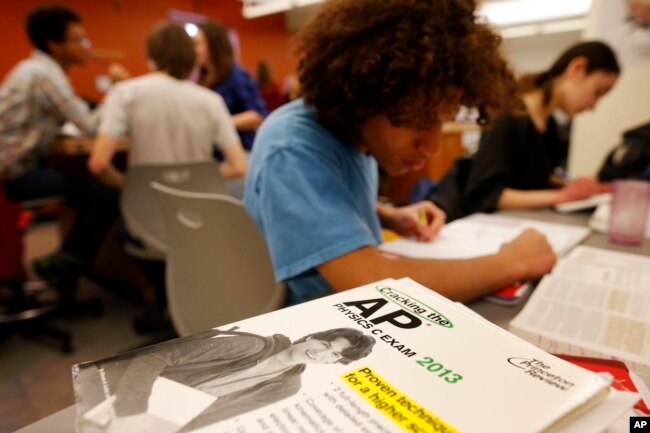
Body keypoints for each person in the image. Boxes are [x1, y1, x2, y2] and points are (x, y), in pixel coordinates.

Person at [243, 0, 557, 306]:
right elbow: (370, 281)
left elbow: (319, 202)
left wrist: (387, 216)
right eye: (421, 121)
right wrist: (512, 262)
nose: (433, 145)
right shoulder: (292, 145)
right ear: (368, 95)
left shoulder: (355, 136)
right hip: (309, 322)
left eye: (442, 120)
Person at [88, 22, 247, 331]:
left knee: (128, 232)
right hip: (198, 219)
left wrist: (130, 187)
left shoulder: (126, 93)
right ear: (193, 59)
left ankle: (161, 300)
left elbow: (97, 164)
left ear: (150, 57)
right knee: (185, 243)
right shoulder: (209, 100)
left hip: (146, 222)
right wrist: (197, 181)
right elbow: (239, 167)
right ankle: (182, 302)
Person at [0, 5, 129, 299]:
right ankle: (62, 266)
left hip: (12, 170)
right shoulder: (45, 75)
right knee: (105, 197)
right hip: (14, 175)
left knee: (87, 195)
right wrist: (118, 91)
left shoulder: (33, 70)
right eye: (78, 40)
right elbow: (90, 127)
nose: (85, 47)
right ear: (54, 44)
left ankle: (66, 267)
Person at [427, 41, 620, 222]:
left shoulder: (550, 124)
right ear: (577, 68)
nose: (593, 106)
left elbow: (533, 177)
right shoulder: (509, 115)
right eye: (597, 92)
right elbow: (484, 193)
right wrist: (561, 195)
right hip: (470, 224)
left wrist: (573, 186)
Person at [75, 327, 375, 431]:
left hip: (165, 423)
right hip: (125, 395)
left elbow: (213, 419)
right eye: (324, 344)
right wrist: (133, 413)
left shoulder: (288, 387)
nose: (321, 353)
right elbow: (153, 358)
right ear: (312, 336)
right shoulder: (252, 345)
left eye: (334, 355)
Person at [194, 20, 268, 153]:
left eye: (199, 44)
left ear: (214, 45)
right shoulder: (200, 78)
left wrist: (220, 124)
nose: (195, 50)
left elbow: (257, 116)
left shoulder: (236, 76)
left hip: (239, 152)